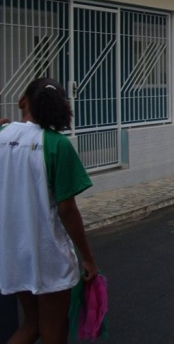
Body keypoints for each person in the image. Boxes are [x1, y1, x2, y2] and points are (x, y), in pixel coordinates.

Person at [0, 78, 98, 344]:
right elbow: (67, 210)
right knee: (54, 331)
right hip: (47, 255)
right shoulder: (57, 145)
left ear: (22, 102)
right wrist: (88, 258)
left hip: (12, 252)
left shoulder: (3, 135)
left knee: (31, 325)